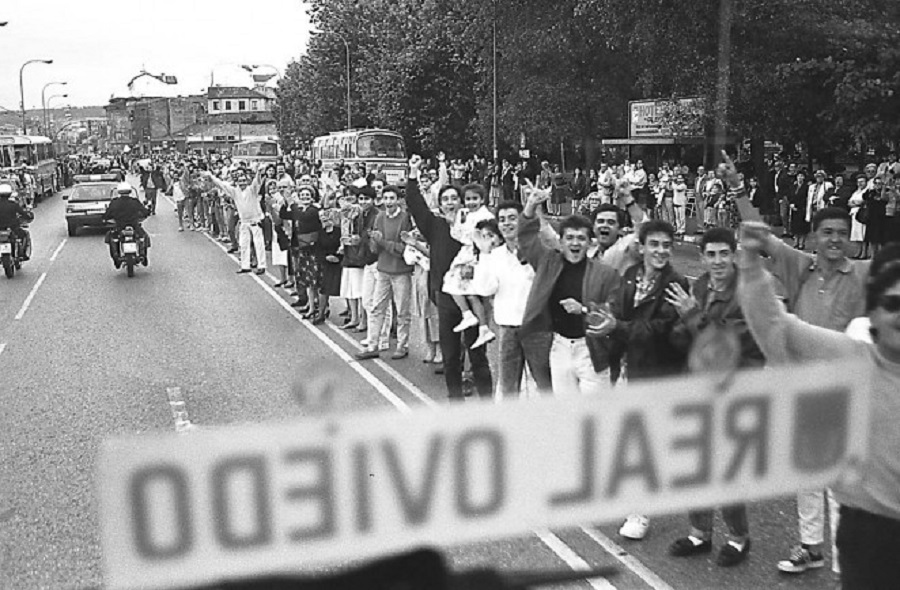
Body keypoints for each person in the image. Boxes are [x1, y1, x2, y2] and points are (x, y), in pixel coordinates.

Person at [738, 223, 900, 589]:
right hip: (873, 537)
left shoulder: (860, 271)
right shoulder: (853, 357)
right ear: (872, 315)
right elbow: (774, 325)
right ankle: (813, 547)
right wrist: (748, 262)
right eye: (892, 304)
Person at [664, 227, 764, 567]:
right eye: (712, 254)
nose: (718, 261)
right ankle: (700, 532)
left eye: (724, 254)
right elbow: (688, 338)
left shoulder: (748, 293)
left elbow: (727, 349)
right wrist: (677, 327)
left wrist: (691, 315)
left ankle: (739, 538)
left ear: (734, 255)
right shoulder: (700, 285)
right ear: (702, 257)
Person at [609, 219, 689, 541]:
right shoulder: (630, 277)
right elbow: (621, 315)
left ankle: (640, 512)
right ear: (641, 248)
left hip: (660, 373)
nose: (660, 251)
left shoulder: (675, 283)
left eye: (666, 246)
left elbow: (659, 330)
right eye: (653, 244)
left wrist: (616, 327)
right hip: (633, 370)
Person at [518, 182, 621, 396]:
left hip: (592, 349)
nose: (575, 243)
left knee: (595, 412)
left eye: (581, 238)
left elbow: (613, 313)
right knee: (567, 411)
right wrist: (531, 205)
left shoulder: (605, 273)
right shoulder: (548, 263)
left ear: (589, 242)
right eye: (570, 238)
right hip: (560, 347)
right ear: (561, 242)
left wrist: (583, 310)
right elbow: (526, 237)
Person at [406, 155, 494, 400]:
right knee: (451, 355)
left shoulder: (475, 223)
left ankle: (488, 402)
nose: (450, 202)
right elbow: (414, 203)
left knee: (478, 355)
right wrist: (413, 173)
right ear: (440, 203)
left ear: (462, 202)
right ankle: (455, 400)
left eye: (454, 198)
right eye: (445, 199)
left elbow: (492, 249)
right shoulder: (434, 225)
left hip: (473, 295)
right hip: (446, 298)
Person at [472, 201, 551, 398]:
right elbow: (484, 288)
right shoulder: (494, 255)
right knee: (508, 388)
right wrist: (484, 253)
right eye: (502, 220)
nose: (507, 224)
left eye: (512, 218)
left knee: (545, 385)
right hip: (507, 329)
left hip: (537, 328)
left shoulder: (538, 250)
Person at [355, 185, 415, 361]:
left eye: (392, 198)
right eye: (386, 198)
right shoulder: (380, 217)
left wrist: (382, 242)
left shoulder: (405, 218)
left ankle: (402, 345)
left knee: (403, 311)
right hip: (383, 269)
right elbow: (375, 248)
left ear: (398, 200)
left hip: (400, 270)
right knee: (376, 307)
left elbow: (403, 249)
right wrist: (373, 240)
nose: (388, 202)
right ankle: (373, 344)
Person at [445, 184, 496, 343]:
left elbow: (471, 237)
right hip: (470, 253)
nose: (471, 202)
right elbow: (459, 235)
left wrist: (473, 261)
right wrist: (453, 222)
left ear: (482, 199)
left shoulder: (484, 217)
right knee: (469, 292)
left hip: (474, 255)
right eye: (468, 199)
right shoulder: (467, 214)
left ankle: (471, 317)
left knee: (453, 284)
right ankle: (481, 326)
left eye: (475, 198)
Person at [204, 166, 266, 275]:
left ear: (247, 181)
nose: (242, 183)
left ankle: (261, 265)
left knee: (258, 244)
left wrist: (258, 172)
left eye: (244, 181)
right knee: (244, 244)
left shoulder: (252, 189)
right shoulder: (234, 192)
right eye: (240, 181)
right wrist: (211, 177)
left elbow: (257, 181)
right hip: (244, 222)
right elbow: (221, 185)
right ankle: (245, 266)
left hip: (255, 221)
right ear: (237, 182)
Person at [103, 182, 150, 267]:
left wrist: (105, 218)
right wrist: (147, 212)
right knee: (143, 236)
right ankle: (143, 255)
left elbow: (107, 214)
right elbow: (144, 212)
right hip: (134, 225)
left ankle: (116, 257)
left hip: (119, 226)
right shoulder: (134, 201)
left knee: (111, 238)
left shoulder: (114, 202)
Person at [0, 183, 33, 260]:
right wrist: (29, 216)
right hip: (13, 228)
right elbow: (23, 213)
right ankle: (23, 254)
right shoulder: (13, 204)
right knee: (25, 234)